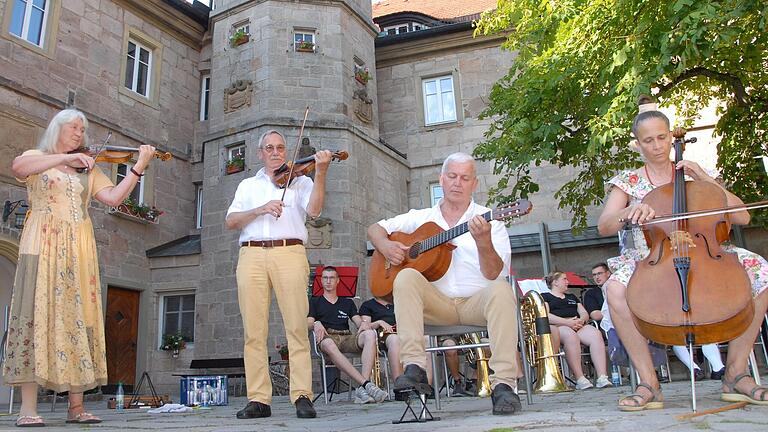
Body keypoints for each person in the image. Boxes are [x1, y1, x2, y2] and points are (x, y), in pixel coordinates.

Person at [598, 96, 768, 411]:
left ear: (670, 135)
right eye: (648, 141)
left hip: (705, 250)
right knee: (614, 289)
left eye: (662, 137)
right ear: (637, 145)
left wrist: (704, 177)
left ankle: (736, 373)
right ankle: (649, 382)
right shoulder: (628, 181)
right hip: (651, 256)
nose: (658, 146)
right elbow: (605, 225)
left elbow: (743, 217)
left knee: (761, 272)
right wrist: (630, 210)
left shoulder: (692, 176)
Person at [3, 109, 156, 427]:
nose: (79, 133)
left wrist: (138, 168)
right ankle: (28, 408)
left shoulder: (88, 166)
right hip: (41, 243)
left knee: (78, 317)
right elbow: (19, 167)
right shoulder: (39, 156)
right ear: (57, 128)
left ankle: (77, 407)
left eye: (82, 129)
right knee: (34, 316)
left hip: (78, 247)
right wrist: (62, 160)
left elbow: (113, 198)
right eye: (73, 127)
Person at [367, 152, 522, 415]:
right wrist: (384, 244)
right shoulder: (421, 217)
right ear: (441, 179)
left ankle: (504, 385)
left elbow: (496, 272)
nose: (457, 183)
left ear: (474, 184)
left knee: (502, 289)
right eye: (452, 176)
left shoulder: (490, 220)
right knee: (405, 276)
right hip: (437, 304)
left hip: (477, 302)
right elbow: (375, 228)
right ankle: (415, 368)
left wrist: (483, 242)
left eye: (465, 178)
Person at [226, 130, 332, 419]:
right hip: (251, 254)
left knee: (296, 326)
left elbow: (315, 209)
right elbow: (232, 220)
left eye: (280, 148)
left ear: (286, 152)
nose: (275, 152)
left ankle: (302, 395)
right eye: (269, 148)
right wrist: (260, 209)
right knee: (254, 331)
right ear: (260, 153)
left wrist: (320, 172)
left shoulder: (301, 181)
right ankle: (259, 399)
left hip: (289, 251)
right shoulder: (248, 185)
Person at [308, 266, 388, 404]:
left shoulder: (347, 302)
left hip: (346, 337)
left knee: (369, 334)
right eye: (325, 278)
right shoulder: (315, 301)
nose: (328, 281)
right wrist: (316, 323)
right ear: (321, 281)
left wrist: (372, 323)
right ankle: (366, 385)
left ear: (338, 281)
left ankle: (362, 389)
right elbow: (308, 323)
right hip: (327, 337)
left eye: (332, 278)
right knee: (328, 343)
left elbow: (359, 323)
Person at [542, 271, 611, 390]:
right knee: (570, 336)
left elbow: (584, 312)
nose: (567, 282)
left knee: (595, 334)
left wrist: (580, 321)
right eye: (564, 279)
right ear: (555, 282)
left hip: (577, 324)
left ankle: (602, 376)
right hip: (560, 326)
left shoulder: (571, 297)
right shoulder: (546, 297)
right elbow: (546, 315)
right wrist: (567, 322)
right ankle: (580, 378)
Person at [359, 295, 401, 379]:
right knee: (394, 340)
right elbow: (365, 327)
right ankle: (400, 384)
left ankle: (425, 387)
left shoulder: (398, 302)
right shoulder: (368, 305)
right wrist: (379, 322)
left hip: (402, 333)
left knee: (426, 339)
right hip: (382, 337)